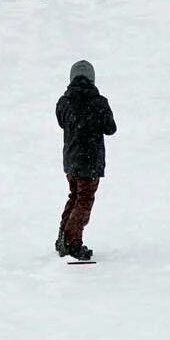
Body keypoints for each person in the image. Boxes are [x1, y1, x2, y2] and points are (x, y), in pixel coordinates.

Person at [54, 60, 116, 261]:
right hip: (90, 162)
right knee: (84, 200)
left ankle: (63, 237)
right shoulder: (99, 103)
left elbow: (62, 122)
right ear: (92, 78)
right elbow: (111, 128)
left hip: (71, 161)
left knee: (74, 196)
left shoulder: (64, 102)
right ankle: (73, 243)